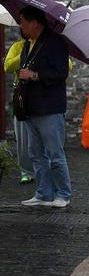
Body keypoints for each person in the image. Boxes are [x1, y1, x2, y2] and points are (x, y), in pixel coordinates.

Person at [18, 6, 72, 208]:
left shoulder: (55, 42)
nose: (20, 25)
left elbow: (61, 73)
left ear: (35, 22)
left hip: (49, 107)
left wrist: (33, 75)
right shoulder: (27, 44)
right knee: (36, 153)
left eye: (23, 21)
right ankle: (43, 194)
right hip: (30, 106)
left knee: (55, 153)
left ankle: (63, 194)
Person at [5, 35, 33, 184]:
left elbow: (67, 65)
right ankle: (26, 171)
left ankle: (43, 170)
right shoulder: (18, 46)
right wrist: (23, 55)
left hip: (43, 97)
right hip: (22, 96)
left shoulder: (48, 46)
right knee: (23, 136)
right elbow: (7, 67)